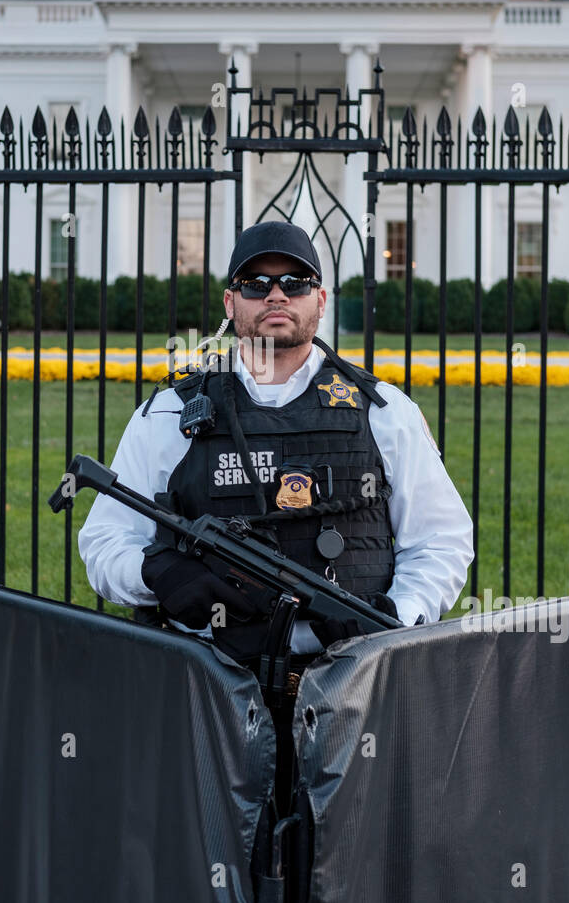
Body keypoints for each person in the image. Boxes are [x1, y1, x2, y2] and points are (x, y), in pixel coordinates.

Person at [78, 220, 475, 818]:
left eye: (294, 281)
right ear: (230, 301)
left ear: (320, 298)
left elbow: (442, 542)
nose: (276, 296)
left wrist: (396, 616)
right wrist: (158, 574)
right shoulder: (169, 414)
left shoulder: (383, 412)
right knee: (218, 875)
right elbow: (106, 540)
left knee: (337, 883)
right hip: (210, 687)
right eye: (256, 283)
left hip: (352, 690)